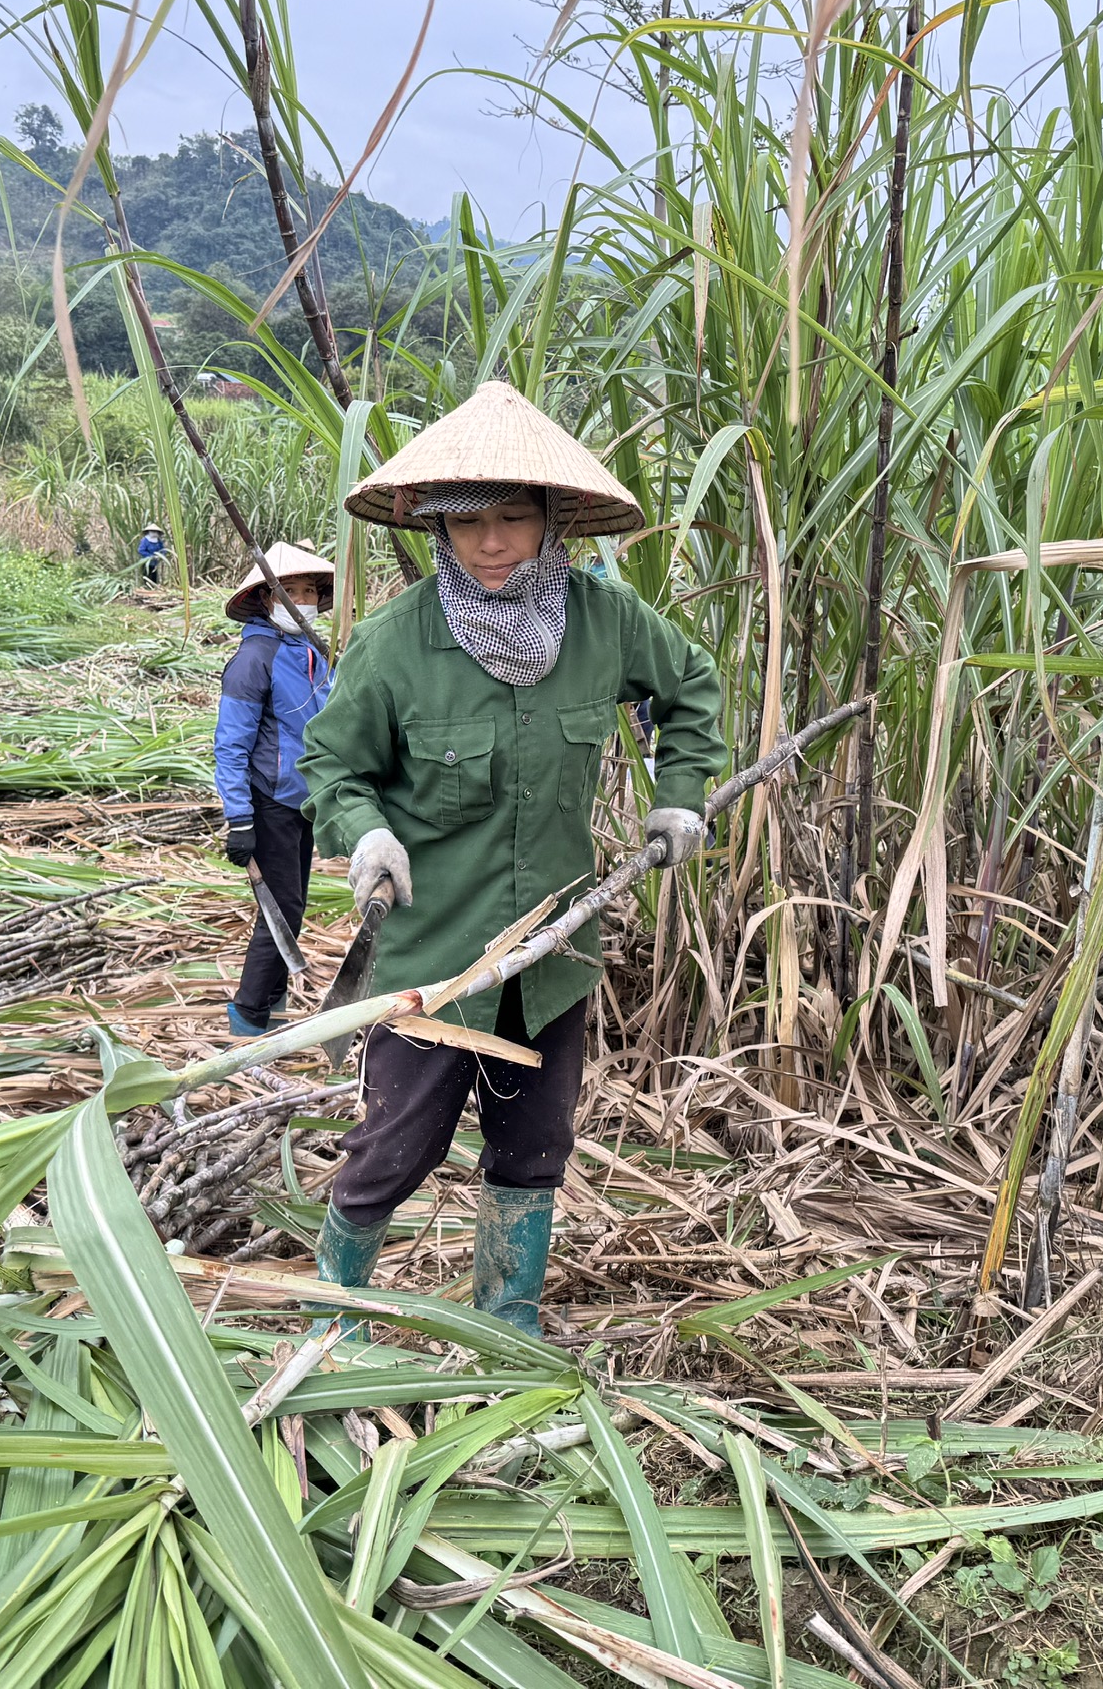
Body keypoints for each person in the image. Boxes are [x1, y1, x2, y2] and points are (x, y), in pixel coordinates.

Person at [301, 381, 727, 1338]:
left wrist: (680, 793)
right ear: (438, 530)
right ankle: (337, 1316)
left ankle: (510, 1320)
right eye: (468, 525)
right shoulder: (396, 642)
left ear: (550, 519)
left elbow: (692, 686)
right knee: (394, 1145)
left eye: (511, 520)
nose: (490, 544)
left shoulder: (606, 620)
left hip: (555, 956)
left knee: (534, 1147)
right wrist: (364, 832)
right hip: (435, 956)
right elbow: (331, 760)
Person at [215, 542, 337, 1036]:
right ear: (268, 597)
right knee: (280, 907)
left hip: (303, 800)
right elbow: (231, 745)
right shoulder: (254, 658)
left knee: (294, 901)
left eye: (310, 590)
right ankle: (248, 1014)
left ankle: (274, 996)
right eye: (291, 590)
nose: (302, 599)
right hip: (268, 800)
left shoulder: (311, 650)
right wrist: (239, 818)